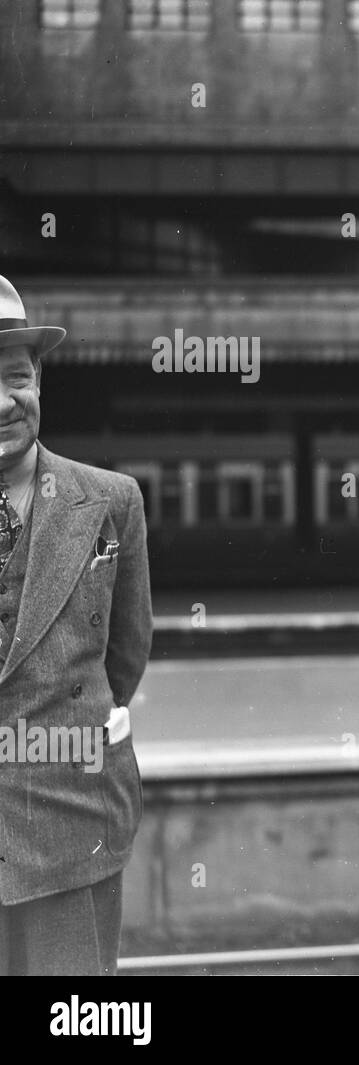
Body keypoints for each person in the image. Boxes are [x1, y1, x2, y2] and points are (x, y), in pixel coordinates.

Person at [0, 275, 153, 975]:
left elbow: (126, 656)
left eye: (18, 377)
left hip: (73, 822)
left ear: (40, 380)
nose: (6, 402)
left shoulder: (111, 502)